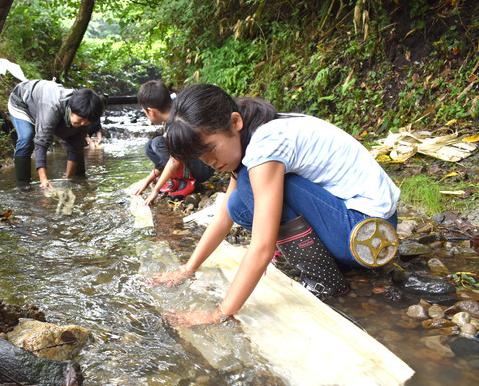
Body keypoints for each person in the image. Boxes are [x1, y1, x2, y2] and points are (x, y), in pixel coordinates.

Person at [151, 84, 399, 327]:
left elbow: (262, 246)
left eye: (210, 150)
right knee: (238, 204)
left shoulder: (265, 144)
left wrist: (218, 314)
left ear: (235, 122)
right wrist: (187, 268)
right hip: (364, 232)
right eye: (200, 157)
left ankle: (325, 281)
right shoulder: (255, 134)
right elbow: (225, 215)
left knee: (249, 185)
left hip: (367, 234)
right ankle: (327, 260)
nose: (209, 162)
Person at [8, 80, 104, 187]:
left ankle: (78, 180)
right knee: (27, 137)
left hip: (51, 111)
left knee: (78, 143)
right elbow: (42, 143)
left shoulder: (86, 116)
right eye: (80, 119)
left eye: (87, 121)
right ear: (71, 109)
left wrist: (67, 181)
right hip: (23, 103)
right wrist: (44, 181)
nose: (83, 123)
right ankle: (23, 185)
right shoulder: (52, 106)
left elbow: (75, 148)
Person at [134, 80, 215, 204]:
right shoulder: (173, 115)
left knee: (158, 143)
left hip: (204, 166)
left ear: (151, 111)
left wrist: (155, 189)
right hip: (198, 161)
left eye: (145, 113)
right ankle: (178, 180)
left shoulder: (176, 123)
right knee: (150, 146)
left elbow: (174, 160)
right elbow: (166, 160)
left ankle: (188, 182)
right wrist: (147, 181)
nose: (147, 116)